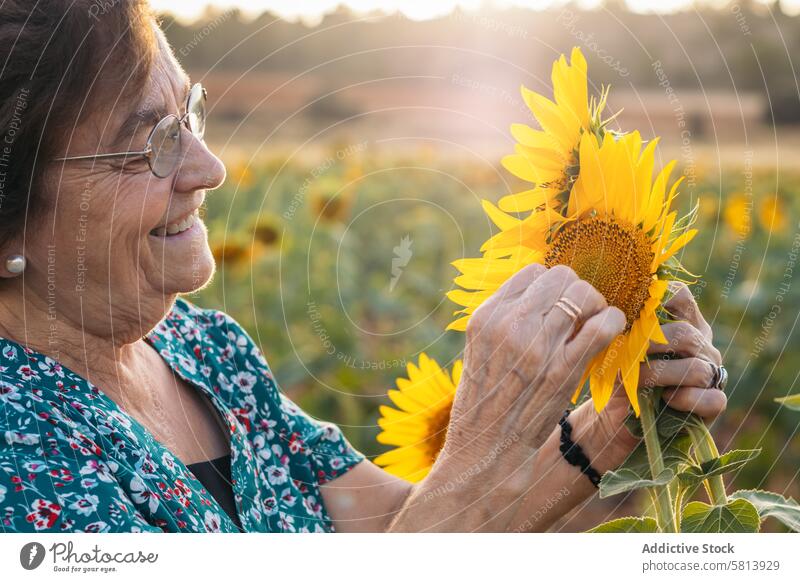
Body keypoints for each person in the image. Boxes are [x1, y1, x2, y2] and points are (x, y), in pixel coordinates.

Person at [0, 1, 726, 533]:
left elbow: (390, 526)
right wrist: (478, 437)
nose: (209, 166)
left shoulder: (205, 354)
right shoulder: (20, 459)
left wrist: (612, 427)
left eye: (187, 115)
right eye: (150, 144)